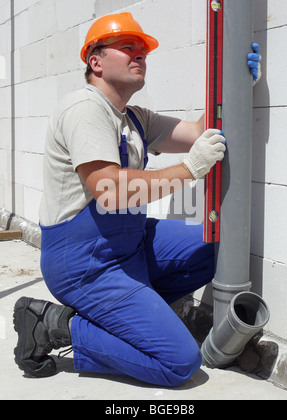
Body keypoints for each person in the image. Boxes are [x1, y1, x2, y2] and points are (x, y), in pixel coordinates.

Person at [13, 13, 261, 386]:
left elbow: (196, 132)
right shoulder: (85, 109)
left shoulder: (134, 118)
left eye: (143, 51)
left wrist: (239, 84)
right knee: (179, 362)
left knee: (215, 250)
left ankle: (126, 319)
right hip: (84, 262)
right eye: (128, 47)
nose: (139, 55)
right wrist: (189, 170)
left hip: (131, 244)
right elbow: (110, 192)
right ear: (94, 61)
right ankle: (55, 326)